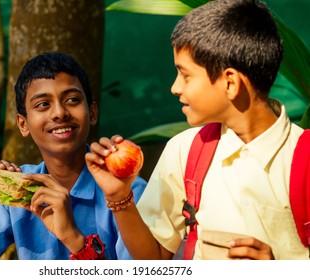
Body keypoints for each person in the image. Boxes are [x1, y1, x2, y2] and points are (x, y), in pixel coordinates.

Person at [85, 0, 309, 260]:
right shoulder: (184, 150)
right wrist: (119, 196)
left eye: (186, 75)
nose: (175, 87)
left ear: (230, 82)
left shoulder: (303, 158)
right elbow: (153, 261)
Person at [0, 52, 146, 260]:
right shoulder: (17, 189)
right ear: (23, 124)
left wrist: (74, 239)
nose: (59, 113)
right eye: (43, 104)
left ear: (92, 112)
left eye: (72, 100)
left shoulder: (126, 192)